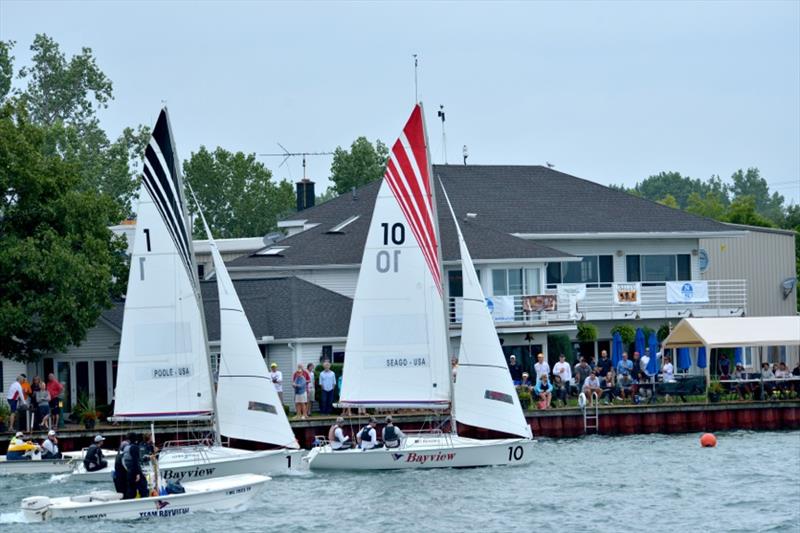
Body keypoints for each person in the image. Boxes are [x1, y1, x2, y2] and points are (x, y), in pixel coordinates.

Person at [123, 433, 148, 499]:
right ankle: (145, 502)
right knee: (143, 486)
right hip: (135, 471)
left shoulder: (126, 447)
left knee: (131, 490)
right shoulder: (134, 447)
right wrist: (138, 474)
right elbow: (135, 461)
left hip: (129, 471)